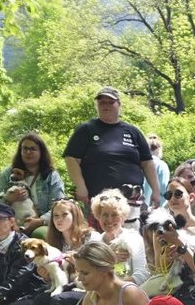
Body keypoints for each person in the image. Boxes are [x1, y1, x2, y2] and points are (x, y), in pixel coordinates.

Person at [64, 86, 160, 222]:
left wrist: (156, 191)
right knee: (101, 240)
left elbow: (147, 163)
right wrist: (80, 187)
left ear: (119, 104)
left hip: (132, 201)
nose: (106, 105)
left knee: (133, 239)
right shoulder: (86, 129)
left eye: (110, 102)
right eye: (102, 102)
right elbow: (71, 158)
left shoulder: (132, 131)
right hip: (100, 201)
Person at [0, 132, 66, 237]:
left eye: (33, 149)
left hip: (41, 223)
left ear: (41, 152)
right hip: (8, 222)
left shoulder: (51, 176)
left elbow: (59, 207)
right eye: (25, 149)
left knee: (40, 234)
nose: (28, 152)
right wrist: (7, 199)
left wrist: (39, 221)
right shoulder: (8, 173)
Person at [94, 189, 149, 284]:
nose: (109, 220)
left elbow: (143, 274)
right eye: (105, 215)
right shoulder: (94, 242)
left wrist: (117, 286)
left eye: (114, 215)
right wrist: (110, 260)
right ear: (98, 216)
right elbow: (88, 275)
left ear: (123, 217)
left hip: (127, 294)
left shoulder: (133, 239)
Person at [142, 133, 171, 203]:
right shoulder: (162, 165)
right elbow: (165, 187)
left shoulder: (139, 163)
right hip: (156, 207)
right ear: (159, 149)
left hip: (138, 206)